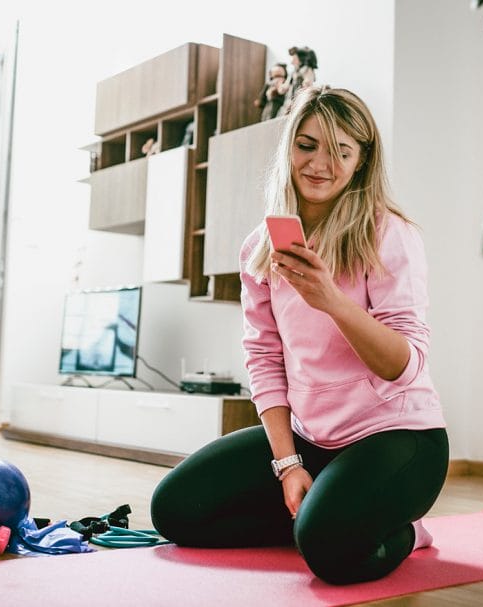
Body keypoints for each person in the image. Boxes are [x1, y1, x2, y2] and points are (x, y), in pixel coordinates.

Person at [150, 86, 449, 585]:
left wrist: (331, 300)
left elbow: (404, 364)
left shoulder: (387, 232)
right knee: (176, 511)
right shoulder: (260, 249)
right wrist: (288, 464)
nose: (319, 163)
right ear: (288, 148)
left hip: (397, 436)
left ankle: (405, 529)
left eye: (340, 150)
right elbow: (264, 358)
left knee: (329, 554)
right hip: (312, 439)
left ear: (360, 162)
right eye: (307, 145)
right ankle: (321, 517)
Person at [282, 46, 317, 114]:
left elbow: (308, 82)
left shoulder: (306, 70)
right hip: (289, 102)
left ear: (301, 59)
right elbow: (285, 87)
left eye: (294, 59)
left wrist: (306, 83)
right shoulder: (293, 72)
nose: (292, 62)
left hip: (299, 101)